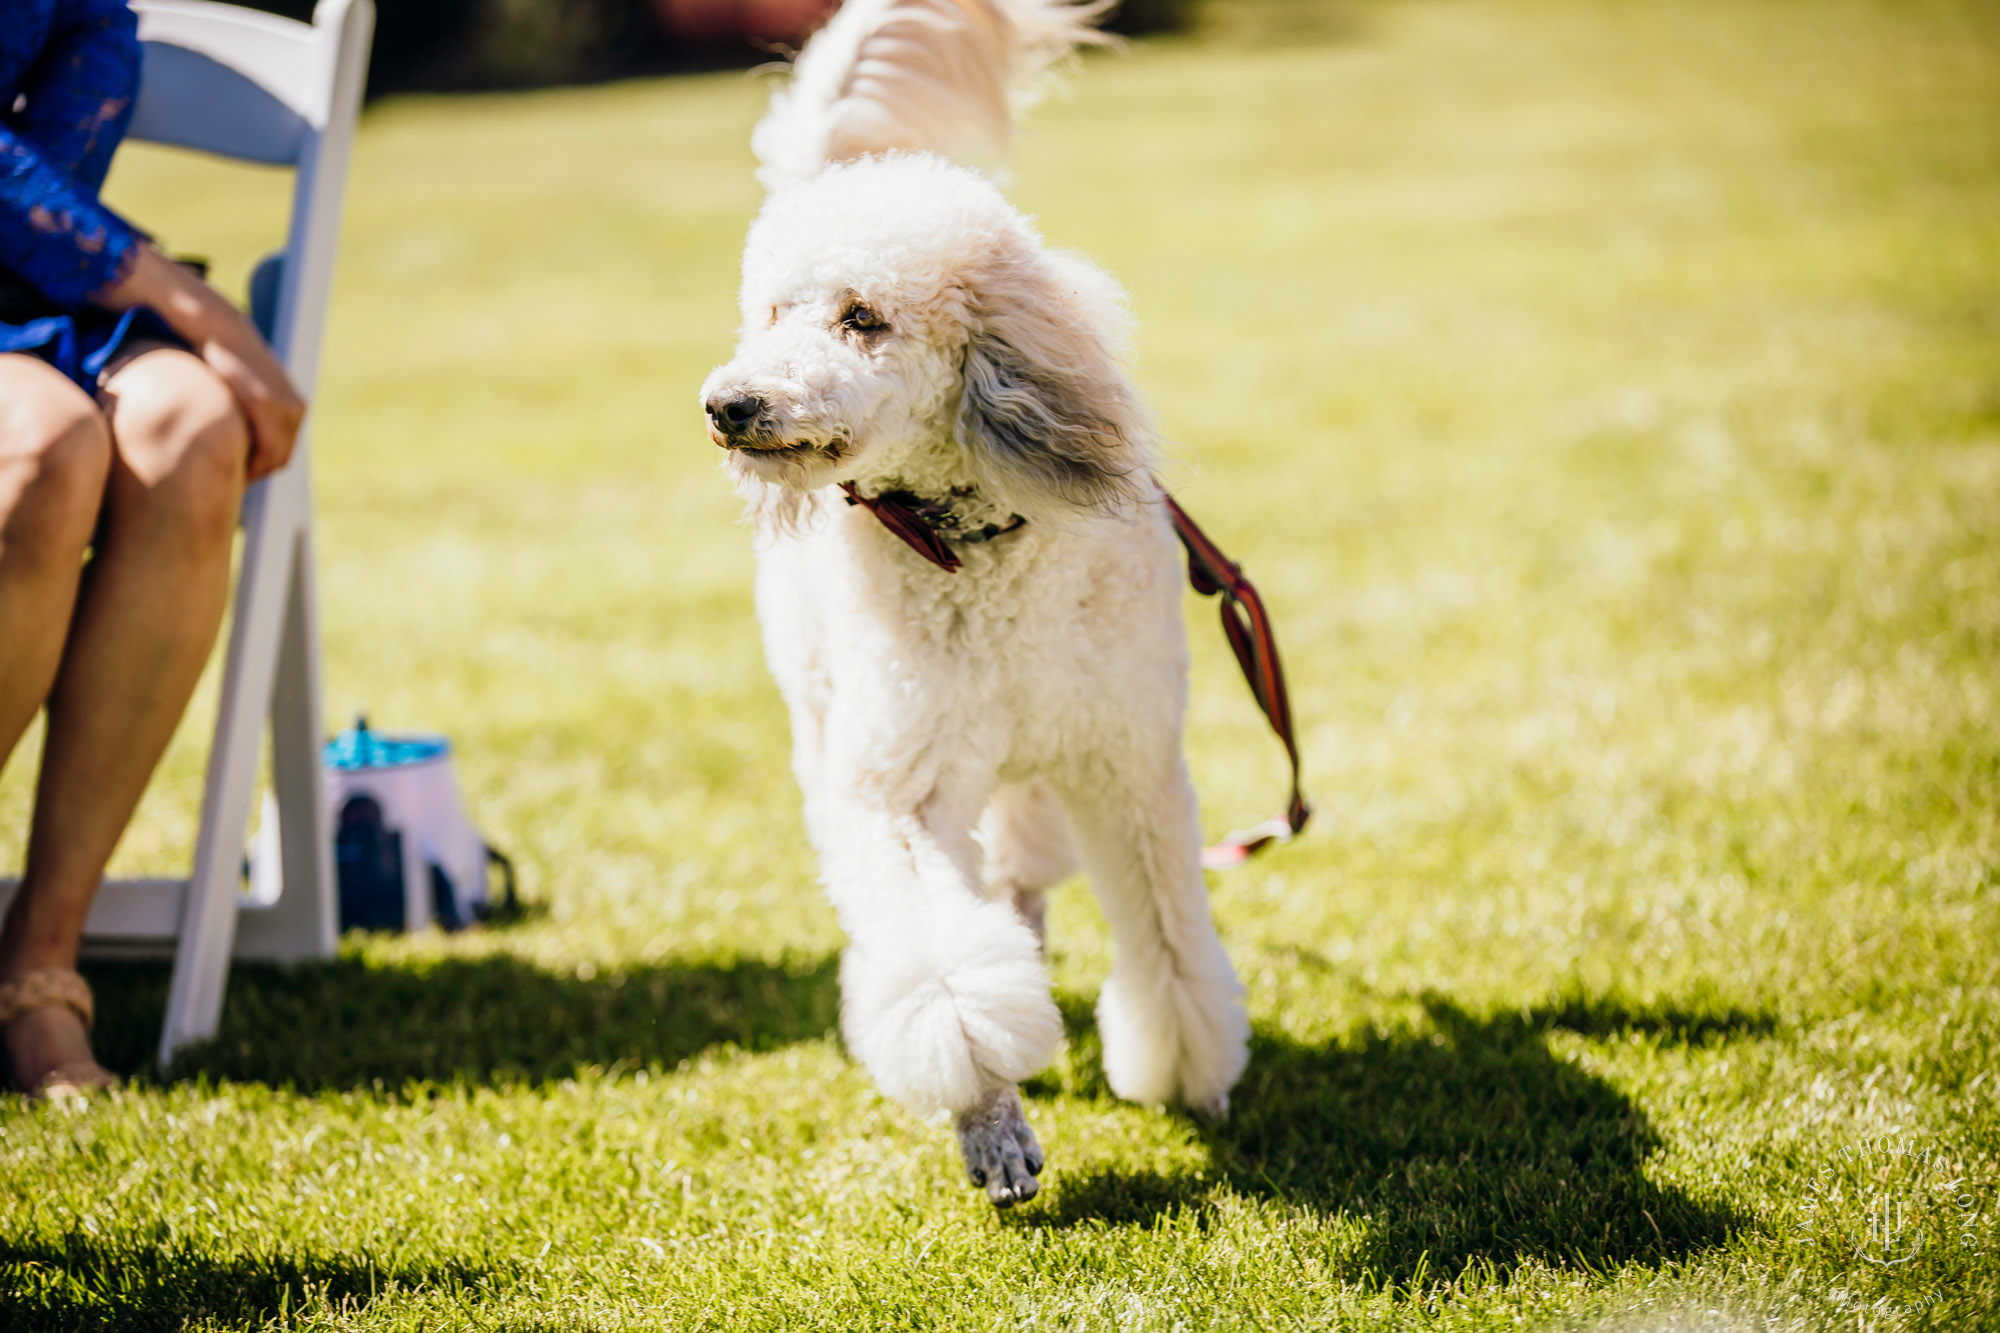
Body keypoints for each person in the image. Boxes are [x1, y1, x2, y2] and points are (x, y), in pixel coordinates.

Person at [0, 0, 306, 1096]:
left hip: (39, 287)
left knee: (186, 431)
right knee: (41, 447)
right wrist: (194, 304)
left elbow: (54, 145)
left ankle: (39, 962)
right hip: (55, 285)